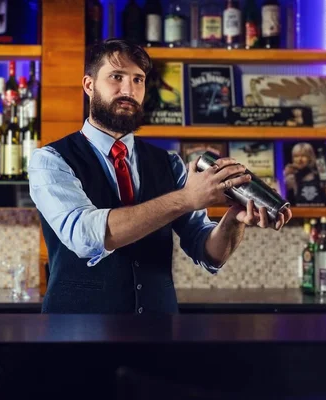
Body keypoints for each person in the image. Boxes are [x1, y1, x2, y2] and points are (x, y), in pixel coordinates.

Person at [28, 39, 292, 314]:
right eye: (116, 77)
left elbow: (209, 253)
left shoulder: (169, 164)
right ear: (89, 85)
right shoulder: (51, 160)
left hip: (159, 334)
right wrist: (186, 198)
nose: (129, 90)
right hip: (77, 336)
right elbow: (86, 235)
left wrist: (232, 221)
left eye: (138, 80)